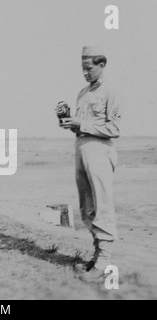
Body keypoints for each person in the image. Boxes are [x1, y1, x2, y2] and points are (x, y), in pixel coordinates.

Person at [59, 46, 121, 282]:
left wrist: (81, 123)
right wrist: (71, 123)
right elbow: (81, 124)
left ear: (102, 65)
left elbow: (114, 129)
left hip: (100, 151)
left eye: (89, 68)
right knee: (87, 207)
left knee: (102, 205)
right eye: (82, 68)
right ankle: (97, 257)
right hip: (81, 148)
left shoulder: (112, 91)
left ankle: (104, 263)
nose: (85, 73)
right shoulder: (82, 93)